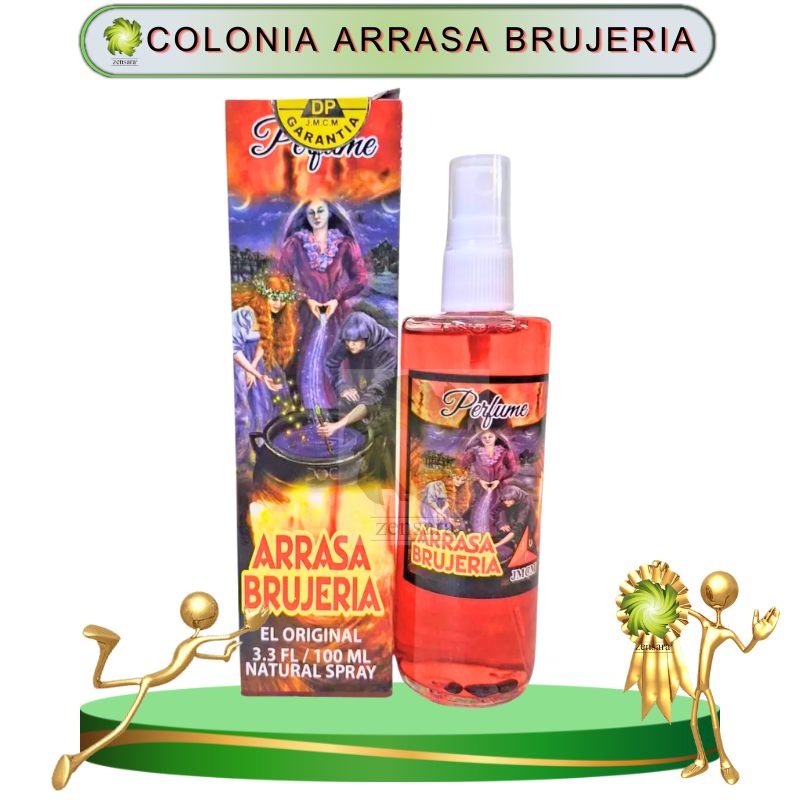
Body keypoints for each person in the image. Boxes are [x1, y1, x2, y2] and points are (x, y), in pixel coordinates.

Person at [276, 198, 369, 410]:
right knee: (301, 358)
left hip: (336, 311)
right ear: (306, 217)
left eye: (321, 211)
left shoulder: (345, 244)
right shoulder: (295, 244)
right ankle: (306, 409)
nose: (316, 216)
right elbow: (281, 277)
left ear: (329, 214)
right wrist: (306, 298)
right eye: (311, 213)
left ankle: (336, 411)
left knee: (336, 358)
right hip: (305, 311)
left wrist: (337, 299)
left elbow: (360, 278)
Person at [231, 278, 298, 463]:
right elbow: (233, 349)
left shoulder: (269, 315)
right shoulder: (245, 313)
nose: (278, 304)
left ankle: (265, 451)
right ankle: (244, 458)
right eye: (274, 298)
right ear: (263, 296)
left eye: (283, 299)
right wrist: (252, 372)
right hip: (237, 363)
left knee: (266, 404)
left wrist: (254, 367)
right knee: (245, 409)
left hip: (252, 363)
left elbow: (263, 343)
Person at [461, 429, 518, 535]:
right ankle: (478, 534)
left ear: (495, 437)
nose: (487, 439)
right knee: (478, 509)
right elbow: (462, 467)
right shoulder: (474, 453)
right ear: (480, 439)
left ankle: (495, 535)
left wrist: (498, 480)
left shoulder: (504, 452)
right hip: (480, 487)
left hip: (498, 487)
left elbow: (513, 468)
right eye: (484, 437)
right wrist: (478, 480)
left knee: (496, 508)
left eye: (490, 436)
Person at [491, 485, 535, 564]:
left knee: (523, 553)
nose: (506, 502)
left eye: (508, 500)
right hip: (513, 523)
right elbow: (495, 511)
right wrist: (500, 524)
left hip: (526, 528)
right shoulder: (507, 500)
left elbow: (518, 526)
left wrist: (497, 544)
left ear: (515, 498)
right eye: (504, 500)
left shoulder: (526, 502)